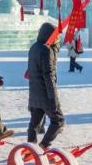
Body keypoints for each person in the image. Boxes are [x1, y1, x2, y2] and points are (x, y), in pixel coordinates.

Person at [27, 22, 64, 150]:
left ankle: (30, 148)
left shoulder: (34, 47)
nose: (58, 39)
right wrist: (53, 98)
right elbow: (49, 76)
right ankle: (43, 146)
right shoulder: (46, 50)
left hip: (34, 92)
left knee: (35, 123)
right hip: (46, 94)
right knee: (58, 121)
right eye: (56, 36)